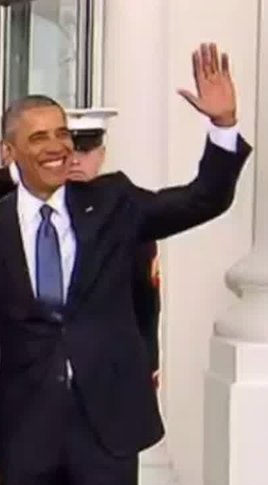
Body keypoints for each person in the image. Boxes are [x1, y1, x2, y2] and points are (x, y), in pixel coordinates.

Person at [0, 43, 251, 485]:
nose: (57, 146)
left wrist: (222, 126)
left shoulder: (113, 202)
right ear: (9, 152)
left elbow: (202, 199)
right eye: (38, 137)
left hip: (107, 426)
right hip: (23, 432)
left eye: (62, 134)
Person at [62, 107, 162, 383]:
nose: (76, 160)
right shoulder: (38, 211)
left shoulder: (127, 209)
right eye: (69, 150)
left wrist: (148, 364)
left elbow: (145, 299)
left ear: (101, 154)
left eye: (86, 150)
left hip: (111, 364)